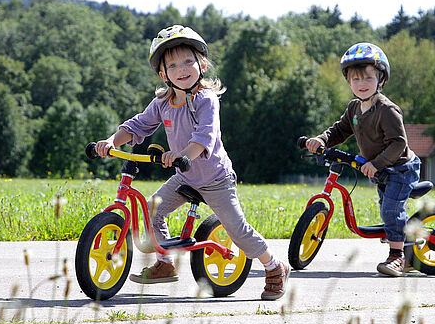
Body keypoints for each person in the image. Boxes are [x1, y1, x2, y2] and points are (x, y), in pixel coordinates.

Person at [94, 25, 290, 300]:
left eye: (188, 61)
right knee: (152, 209)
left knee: (237, 230)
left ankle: (274, 267)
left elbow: (204, 137)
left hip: (216, 178)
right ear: (163, 74)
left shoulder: (206, 99)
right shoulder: (162, 102)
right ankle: (165, 263)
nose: (182, 68)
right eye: (172, 65)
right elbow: (138, 125)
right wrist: (113, 140)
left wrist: (182, 154)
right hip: (186, 176)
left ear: (203, 64)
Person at [303, 42, 420, 277]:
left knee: (390, 209)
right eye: (356, 79)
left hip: (400, 168)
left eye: (368, 78)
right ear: (348, 82)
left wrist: (376, 164)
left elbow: (399, 143)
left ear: (381, 79)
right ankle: (401, 238)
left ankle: (399, 257)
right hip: (378, 169)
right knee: (387, 210)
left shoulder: (388, 110)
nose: (362, 84)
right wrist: (322, 139)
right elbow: (339, 130)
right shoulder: (354, 108)